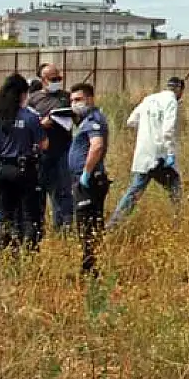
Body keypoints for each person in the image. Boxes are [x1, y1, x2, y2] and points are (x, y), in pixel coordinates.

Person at [107, 77, 184, 229]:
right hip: (159, 155)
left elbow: (131, 121)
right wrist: (170, 152)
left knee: (135, 190)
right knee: (175, 186)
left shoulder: (149, 99)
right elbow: (168, 130)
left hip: (143, 154)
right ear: (180, 90)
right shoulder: (171, 102)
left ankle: (113, 224)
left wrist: (147, 130)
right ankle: (178, 222)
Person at [0, 74, 48, 256]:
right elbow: (44, 144)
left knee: (2, 213)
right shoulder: (30, 117)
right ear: (23, 94)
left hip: (3, 169)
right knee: (29, 213)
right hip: (25, 169)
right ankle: (29, 252)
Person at [67, 82, 110, 275]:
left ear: (90, 99)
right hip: (84, 179)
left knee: (87, 225)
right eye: (72, 100)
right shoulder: (83, 121)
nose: (75, 104)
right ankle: (91, 264)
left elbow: (97, 146)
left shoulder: (94, 119)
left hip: (89, 180)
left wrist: (86, 172)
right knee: (89, 224)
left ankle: (90, 267)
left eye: (79, 100)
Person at [29, 62, 74, 235]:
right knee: (39, 191)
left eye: (59, 78)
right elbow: (28, 126)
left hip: (63, 151)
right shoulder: (34, 100)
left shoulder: (66, 96)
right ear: (44, 80)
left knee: (63, 190)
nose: (57, 81)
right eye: (53, 79)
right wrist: (42, 124)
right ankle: (37, 228)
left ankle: (63, 228)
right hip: (41, 153)